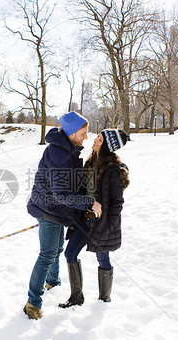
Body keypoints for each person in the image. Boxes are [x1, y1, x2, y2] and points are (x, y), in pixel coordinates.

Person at [24, 111, 102, 320]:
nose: (86, 136)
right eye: (83, 132)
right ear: (71, 132)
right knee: (47, 253)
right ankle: (32, 303)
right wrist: (89, 202)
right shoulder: (59, 153)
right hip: (49, 209)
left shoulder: (67, 149)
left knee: (56, 248)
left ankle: (53, 283)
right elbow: (60, 194)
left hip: (55, 210)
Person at [59, 128, 129, 308]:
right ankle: (77, 297)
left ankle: (104, 299)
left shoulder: (114, 170)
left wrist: (109, 225)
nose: (95, 140)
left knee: (102, 259)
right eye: (97, 137)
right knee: (70, 253)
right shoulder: (89, 162)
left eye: (99, 139)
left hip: (101, 223)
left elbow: (117, 203)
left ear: (107, 145)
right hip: (84, 219)